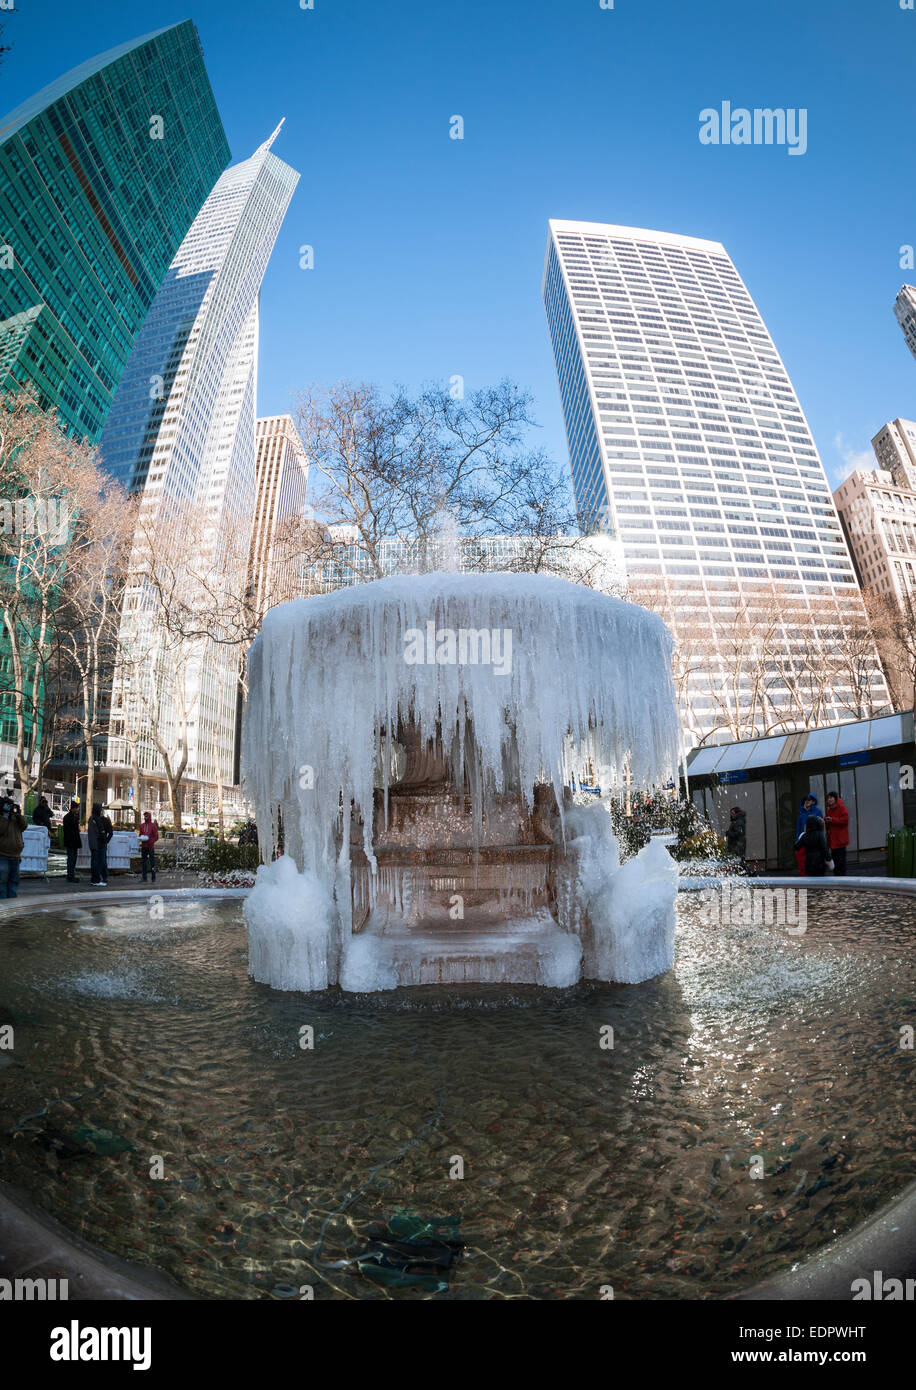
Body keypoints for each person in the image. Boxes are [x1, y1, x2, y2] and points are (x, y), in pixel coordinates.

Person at [0, 794, 27, 898]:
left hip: (15, 856)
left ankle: (12, 904)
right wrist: (5, 816)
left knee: (14, 881)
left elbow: (24, 826)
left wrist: (18, 814)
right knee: (2, 881)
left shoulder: (15, 818)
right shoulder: (2, 818)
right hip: (3, 855)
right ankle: (2, 907)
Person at [87, 803, 113, 886]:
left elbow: (107, 832)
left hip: (97, 844)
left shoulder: (93, 818)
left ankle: (97, 879)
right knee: (98, 862)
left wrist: (105, 840)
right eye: (100, 810)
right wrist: (104, 839)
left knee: (97, 862)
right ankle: (96, 880)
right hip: (98, 844)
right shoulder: (95, 819)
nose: (101, 812)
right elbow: (99, 832)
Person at [824, 791, 850, 877]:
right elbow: (829, 822)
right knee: (836, 862)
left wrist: (832, 820)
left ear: (835, 798)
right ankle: (837, 880)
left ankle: (842, 881)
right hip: (833, 841)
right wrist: (826, 820)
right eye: (828, 798)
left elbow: (845, 820)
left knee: (841, 863)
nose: (829, 799)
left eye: (831, 797)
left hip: (840, 840)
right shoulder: (829, 809)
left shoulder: (842, 808)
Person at [794, 793, 820, 875]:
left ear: (813, 801)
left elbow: (821, 825)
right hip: (804, 840)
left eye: (810, 800)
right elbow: (798, 829)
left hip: (814, 840)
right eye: (806, 800)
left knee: (814, 861)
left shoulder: (817, 812)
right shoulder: (801, 815)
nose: (807, 801)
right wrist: (797, 840)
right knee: (803, 861)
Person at [61, 801, 82, 882]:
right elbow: (71, 829)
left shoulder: (73, 816)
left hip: (73, 841)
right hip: (71, 841)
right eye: (76, 808)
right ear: (73, 808)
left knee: (73, 859)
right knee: (71, 859)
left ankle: (71, 875)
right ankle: (70, 876)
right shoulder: (69, 817)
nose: (77, 809)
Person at [139, 811, 159, 883]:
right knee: (143, 863)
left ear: (149, 817)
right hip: (144, 846)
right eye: (144, 816)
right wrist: (141, 838)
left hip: (150, 847)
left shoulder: (153, 826)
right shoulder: (142, 825)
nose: (145, 817)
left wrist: (150, 841)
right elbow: (140, 834)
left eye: (146, 816)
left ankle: (153, 878)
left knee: (152, 863)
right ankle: (144, 878)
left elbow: (156, 836)